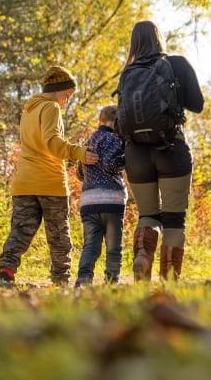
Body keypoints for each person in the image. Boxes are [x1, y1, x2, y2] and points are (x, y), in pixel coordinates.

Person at [0, 65, 99, 286]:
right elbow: (52, 143)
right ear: (57, 88)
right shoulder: (51, 107)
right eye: (67, 94)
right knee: (59, 237)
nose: (67, 99)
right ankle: (60, 281)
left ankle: (6, 271)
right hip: (49, 182)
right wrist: (78, 152)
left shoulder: (29, 110)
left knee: (20, 232)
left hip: (24, 182)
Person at [120, 20, 204, 281]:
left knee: (148, 215)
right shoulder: (176, 63)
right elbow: (197, 104)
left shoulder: (127, 72)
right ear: (159, 38)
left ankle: (142, 258)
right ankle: (168, 281)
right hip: (170, 148)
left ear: (134, 43)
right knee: (174, 220)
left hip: (136, 154)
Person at [75, 105, 127, 287]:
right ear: (117, 121)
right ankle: (112, 282)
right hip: (111, 201)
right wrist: (126, 159)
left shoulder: (88, 141)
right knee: (113, 247)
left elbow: (79, 174)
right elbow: (110, 164)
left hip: (89, 202)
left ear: (100, 120)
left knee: (91, 244)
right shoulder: (114, 139)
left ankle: (83, 279)